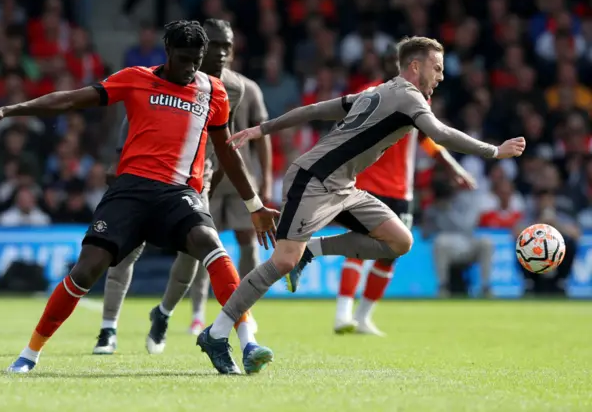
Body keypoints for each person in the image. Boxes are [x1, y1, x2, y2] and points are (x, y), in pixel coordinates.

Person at [0, 20, 278, 376]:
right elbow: (70, 100)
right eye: (183, 58)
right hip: (129, 191)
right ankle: (30, 353)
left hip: (178, 194)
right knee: (86, 270)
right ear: (167, 53)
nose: (190, 67)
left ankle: (248, 340)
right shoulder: (135, 78)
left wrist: (254, 205)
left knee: (212, 246)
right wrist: (8, 110)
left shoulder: (214, 92)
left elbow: (227, 151)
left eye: (197, 59)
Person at [198, 36, 525, 370]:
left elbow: (315, 110)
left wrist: (264, 128)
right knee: (282, 260)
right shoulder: (409, 97)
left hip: (344, 186)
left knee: (400, 241)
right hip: (312, 180)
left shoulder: (379, 91)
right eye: (437, 68)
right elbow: (439, 134)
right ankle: (218, 332)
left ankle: (312, 251)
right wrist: (494, 151)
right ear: (415, 66)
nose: (440, 76)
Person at [92, 19, 267, 357]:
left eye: (226, 47)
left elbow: (222, 143)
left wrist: (222, 189)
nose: (220, 53)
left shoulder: (234, 88)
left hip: (195, 182)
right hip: (145, 175)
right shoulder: (167, 76)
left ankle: (164, 313)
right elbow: (134, 114)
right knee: (126, 251)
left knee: (191, 261)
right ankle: (108, 329)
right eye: (214, 45)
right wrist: (119, 159)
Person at [306, 46, 476, 336]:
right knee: (359, 246)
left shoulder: (418, 98)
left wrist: (452, 167)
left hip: (401, 191)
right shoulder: (368, 92)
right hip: (367, 185)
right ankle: (342, 313)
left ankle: (362, 317)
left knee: (390, 254)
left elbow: (428, 138)